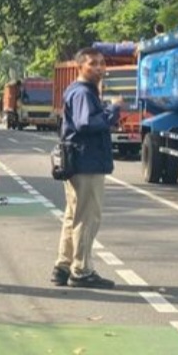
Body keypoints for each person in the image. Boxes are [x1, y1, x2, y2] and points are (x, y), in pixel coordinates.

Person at [51, 47, 123, 288]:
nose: (99, 68)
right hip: (86, 163)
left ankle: (63, 265)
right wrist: (113, 110)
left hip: (80, 162)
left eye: (102, 63)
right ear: (80, 66)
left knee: (73, 216)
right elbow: (85, 123)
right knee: (87, 217)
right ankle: (80, 270)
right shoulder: (82, 92)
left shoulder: (81, 91)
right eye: (93, 63)